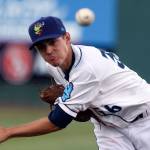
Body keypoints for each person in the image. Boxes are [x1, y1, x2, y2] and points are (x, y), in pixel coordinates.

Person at [1, 16, 150, 150]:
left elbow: (58, 121)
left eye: (53, 42)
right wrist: (69, 103)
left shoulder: (88, 68)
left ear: (67, 38)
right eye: (41, 47)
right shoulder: (54, 66)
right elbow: (84, 114)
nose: (49, 51)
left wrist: (9, 132)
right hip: (108, 126)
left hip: (144, 119)